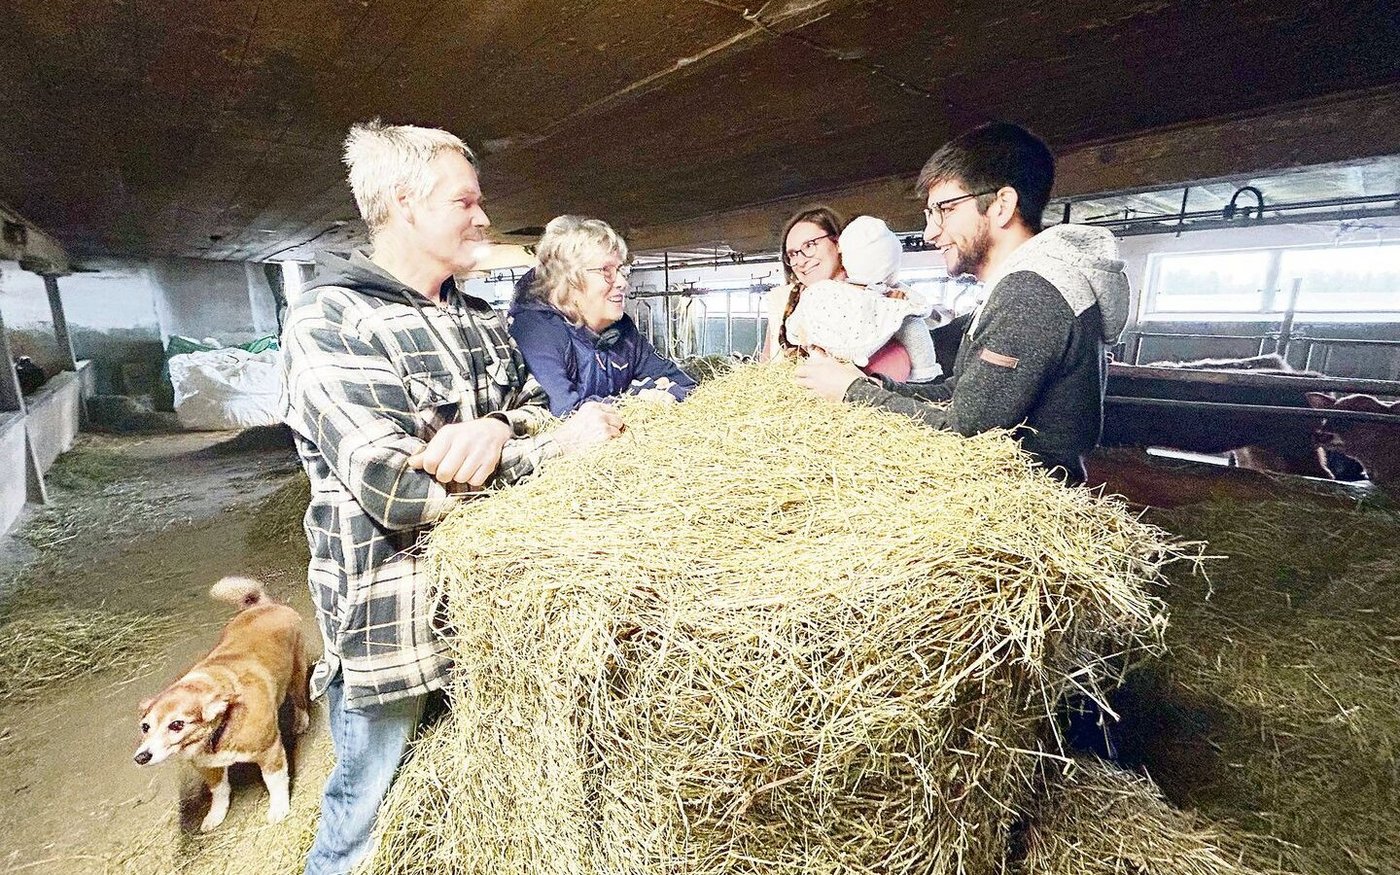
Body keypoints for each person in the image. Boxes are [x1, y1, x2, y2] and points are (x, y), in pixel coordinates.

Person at [280, 120, 622, 875]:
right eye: (466, 201)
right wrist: (553, 451)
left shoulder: (472, 317)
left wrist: (499, 427)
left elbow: (534, 401)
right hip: (390, 627)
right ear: (404, 201)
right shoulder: (330, 320)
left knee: (459, 810)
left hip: (486, 622)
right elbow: (395, 484)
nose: (482, 217)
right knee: (362, 822)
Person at [794, 122, 1130, 485]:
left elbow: (966, 433)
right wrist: (871, 382)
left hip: (1020, 500)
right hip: (996, 488)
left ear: (1001, 206)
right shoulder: (1017, 285)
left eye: (946, 209)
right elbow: (961, 394)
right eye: (930, 214)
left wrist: (851, 393)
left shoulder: (1030, 293)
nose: (930, 232)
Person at [507, 215, 696, 416]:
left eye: (622, 269)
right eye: (606, 270)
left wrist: (664, 395)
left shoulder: (623, 331)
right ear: (567, 280)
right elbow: (564, 413)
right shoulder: (537, 332)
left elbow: (688, 387)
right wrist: (639, 398)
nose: (622, 282)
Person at [784, 215, 944, 383]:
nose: (800, 261)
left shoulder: (892, 302)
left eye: (809, 245)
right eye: (792, 254)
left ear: (839, 243)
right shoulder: (788, 302)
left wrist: (894, 311)